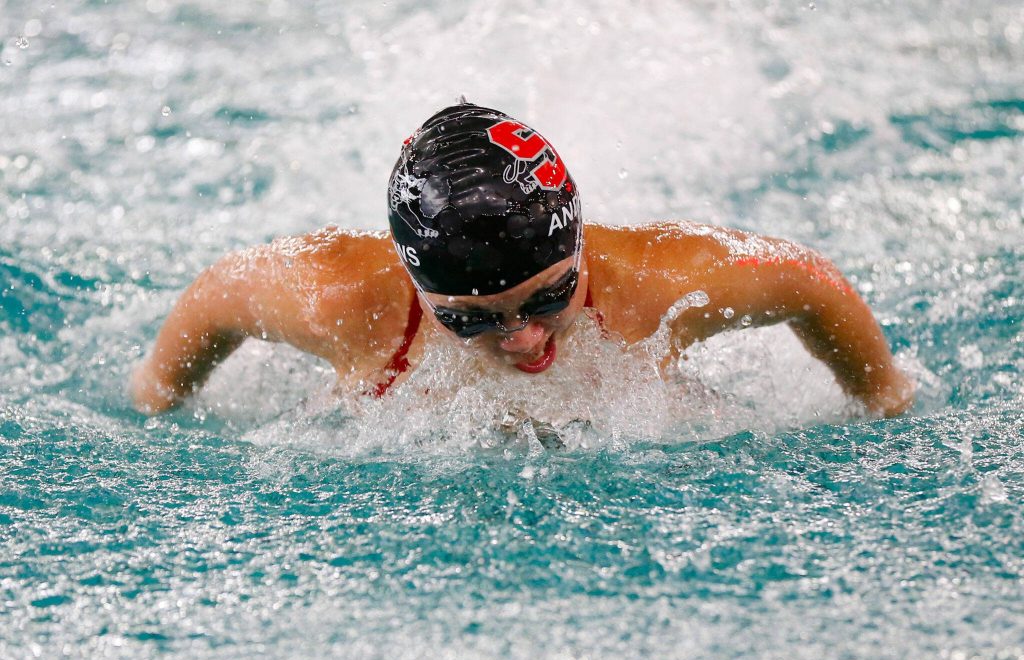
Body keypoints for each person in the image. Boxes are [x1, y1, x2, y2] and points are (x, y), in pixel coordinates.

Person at [131, 103, 914, 417]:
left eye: (548, 299)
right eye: (468, 319)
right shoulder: (343, 299)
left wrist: (883, 401)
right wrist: (156, 405)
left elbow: (814, 284)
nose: (523, 340)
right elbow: (215, 295)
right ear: (414, 285)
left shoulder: (656, 284)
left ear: (578, 250)